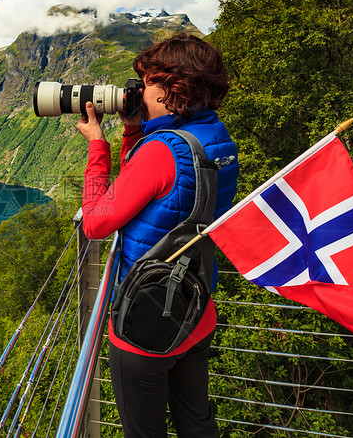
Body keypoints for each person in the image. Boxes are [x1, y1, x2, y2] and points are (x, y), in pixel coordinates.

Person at [76, 31, 239, 437]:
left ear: (172, 88)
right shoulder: (219, 139)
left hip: (145, 320)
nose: (141, 91)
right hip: (195, 308)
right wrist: (134, 130)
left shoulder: (162, 150)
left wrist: (99, 147)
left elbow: (97, 222)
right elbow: (166, 194)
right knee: (197, 424)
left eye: (148, 82)